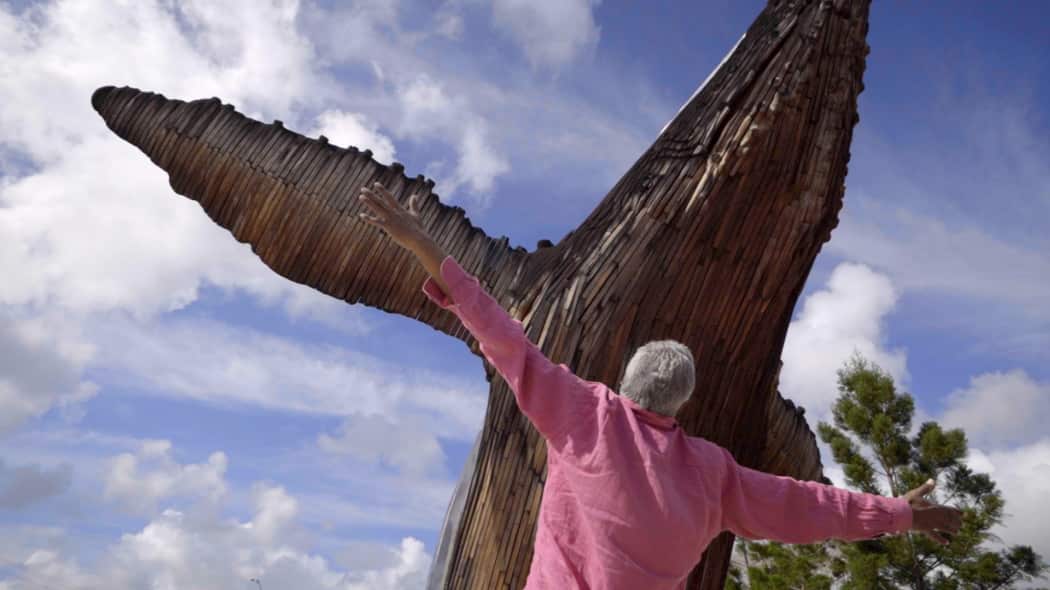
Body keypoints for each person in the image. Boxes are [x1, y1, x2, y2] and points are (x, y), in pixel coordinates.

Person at [357, 183, 963, 590]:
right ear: (683, 403)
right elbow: (805, 506)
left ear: (623, 381)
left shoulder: (585, 413)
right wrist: (899, 515)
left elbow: (501, 335)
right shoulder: (711, 473)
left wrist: (426, 246)